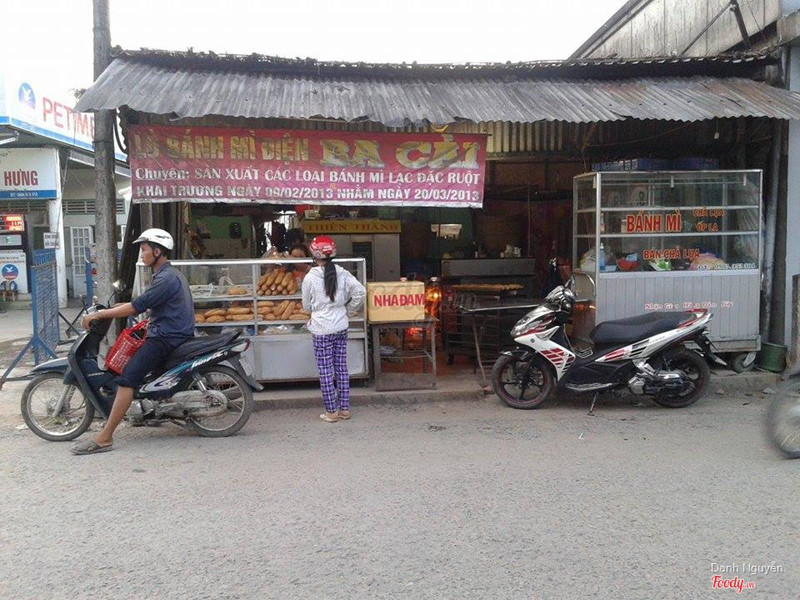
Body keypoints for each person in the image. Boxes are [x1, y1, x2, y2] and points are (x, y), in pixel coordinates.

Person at [70, 228, 195, 455]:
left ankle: (105, 437)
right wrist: (116, 307)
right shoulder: (167, 275)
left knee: (127, 379)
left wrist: (100, 314)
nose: (142, 254)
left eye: (144, 250)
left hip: (165, 338)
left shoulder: (165, 279)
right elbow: (143, 302)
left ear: (157, 252)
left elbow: (137, 306)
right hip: (170, 333)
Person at [301, 236, 365, 423]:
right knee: (341, 368)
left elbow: (306, 306)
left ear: (314, 255)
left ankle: (331, 412)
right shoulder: (343, 273)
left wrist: (316, 308)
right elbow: (360, 292)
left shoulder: (310, 277)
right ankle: (344, 409)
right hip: (341, 326)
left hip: (321, 328)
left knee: (326, 371)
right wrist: (348, 310)